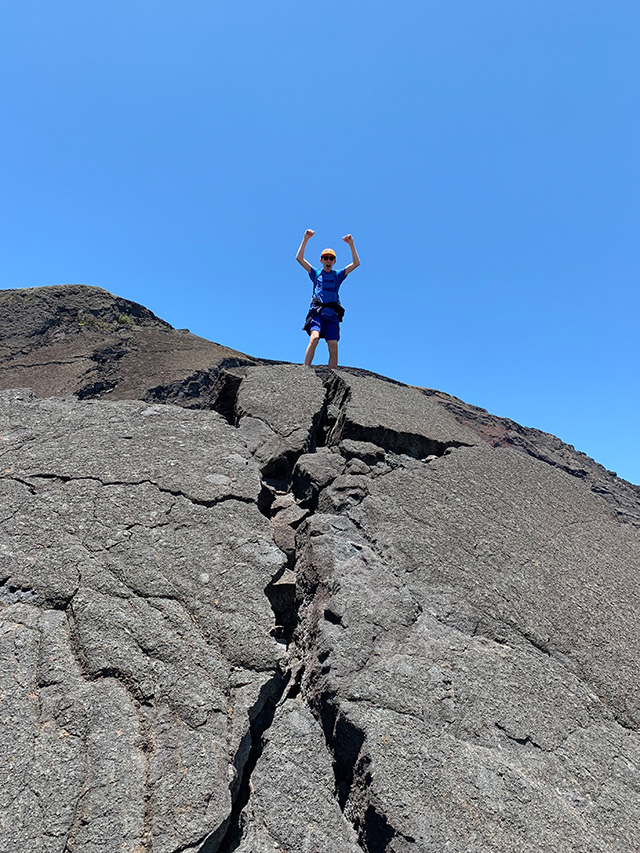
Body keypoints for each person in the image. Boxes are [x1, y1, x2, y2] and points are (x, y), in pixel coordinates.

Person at [296, 229, 360, 369]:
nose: (328, 260)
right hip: (317, 313)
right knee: (314, 338)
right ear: (321, 260)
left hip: (332, 315)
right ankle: (305, 370)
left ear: (335, 261)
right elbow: (299, 258)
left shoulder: (337, 275)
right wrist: (305, 238)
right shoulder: (316, 273)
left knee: (333, 346)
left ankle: (333, 374)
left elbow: (356, 263)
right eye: (326, 258)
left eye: (331, 258)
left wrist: (351, 244)